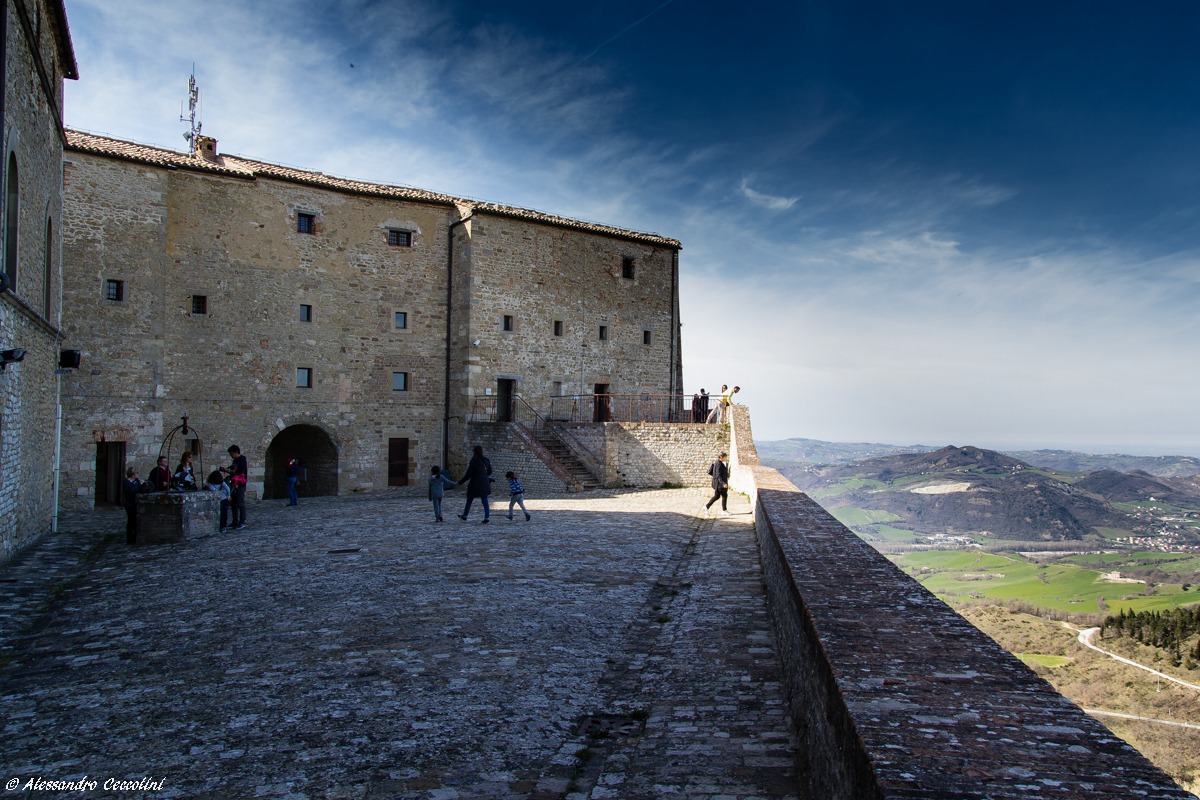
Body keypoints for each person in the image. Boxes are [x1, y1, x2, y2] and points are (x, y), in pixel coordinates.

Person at [457, 445, 493, 524]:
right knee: (485, 500)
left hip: (475, 483)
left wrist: (460, 482)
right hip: (484, 483)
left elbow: (468, 474)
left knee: (469, 500)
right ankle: (487, 517)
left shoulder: (473, 461)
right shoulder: (486, 460)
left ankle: (465, 515)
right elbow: (489, 472)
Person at [224, 444, 249, 530]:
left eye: (231, 454)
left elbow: (240, 472)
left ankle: (242, 521)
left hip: (240, 484)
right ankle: (235, 521)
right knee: (233, 503)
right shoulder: (235, 460)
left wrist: (229, 471)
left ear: (235, 452)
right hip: (234, 483)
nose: (231, 456)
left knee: (240, 503)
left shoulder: (242, 460)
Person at [122, 466, 143, 544]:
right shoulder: (126, 482)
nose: (137, 475)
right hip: (129, 503)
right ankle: (130, 539)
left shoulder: (136, 481)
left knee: (135, 521)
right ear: (133, 474)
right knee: (131, 520)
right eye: (136, 473)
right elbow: (132, 489)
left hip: (135, 502)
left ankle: (135, 537)